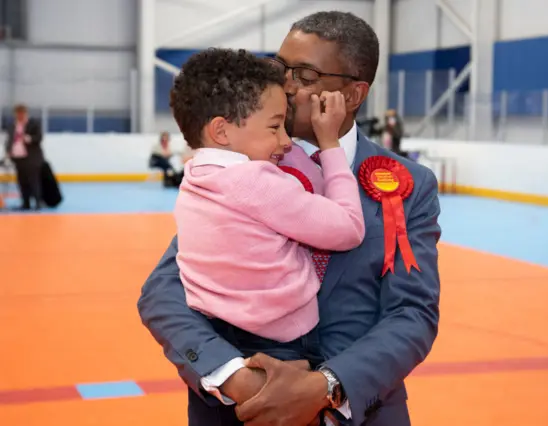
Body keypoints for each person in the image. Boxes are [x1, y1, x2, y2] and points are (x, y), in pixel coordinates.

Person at [138, 10, 441, 426]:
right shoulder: (244, 163)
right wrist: (234, 377)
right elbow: (164, 291)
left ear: (353, 94)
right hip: (244, 409)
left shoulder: (407, 185)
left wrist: (326, 387)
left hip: (359, 413)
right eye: (281, 68)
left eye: (306, 75)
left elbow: (412, 314)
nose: (286, 84)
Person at [171, 48, 365, 408]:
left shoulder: (196, 177)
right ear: (221, 130)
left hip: (221, 341)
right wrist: (330, 145)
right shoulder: (254, 180)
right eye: (275, 126)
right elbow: (349, 227)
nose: (285, 141)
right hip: (282, 345)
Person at [3, 104, 44, 210]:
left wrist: (29, 138)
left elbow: (39, 137)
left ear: (26, 113)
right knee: (22, 181)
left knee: (33, 181)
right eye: (18, 113)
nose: (20, 115)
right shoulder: (12, 125)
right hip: (17, 158)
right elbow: (9, 140)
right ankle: (25, 203)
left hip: (32, 158)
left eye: (22, 113)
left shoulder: (33, 123)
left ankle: (38, 203)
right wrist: (8, 152)